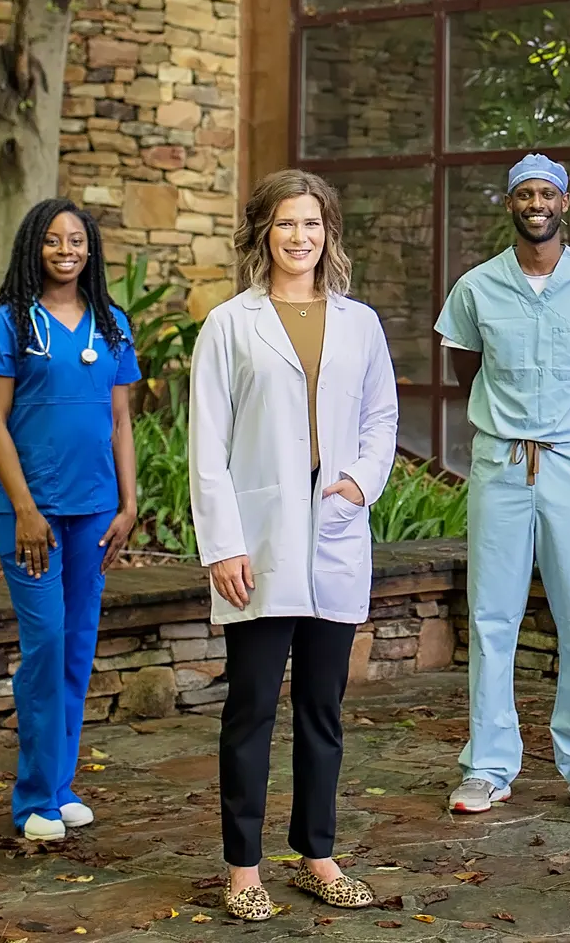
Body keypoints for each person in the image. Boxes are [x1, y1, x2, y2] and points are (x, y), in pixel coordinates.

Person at [189, 169, 399, 921]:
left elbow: (381, 418)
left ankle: (317, 854)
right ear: (263, 233)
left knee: (323, 708)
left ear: (328, 234)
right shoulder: (229, 325)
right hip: (260, 541)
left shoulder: (360, 323)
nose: (299, 237)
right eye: (285, 224)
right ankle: (243, 869)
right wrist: (222, 543)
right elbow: (206, 445)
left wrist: (357, 485)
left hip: (334, 529)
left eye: (311, 223)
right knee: (249, 708)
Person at [435, 154, 570, 817]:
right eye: (524, 193)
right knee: (492, 615)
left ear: (564, 203)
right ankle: (488, 765)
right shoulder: (475, 288)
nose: (536, 203)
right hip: (500, 464)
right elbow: (468, 365)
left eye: (546, 193)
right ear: (510, 205)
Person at [0, 199, 140, 842]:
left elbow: (122, 420)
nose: (65, 249)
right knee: (43, 647)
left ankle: (61, 784)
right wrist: (24, 510)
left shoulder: (111, 322)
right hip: (30, 515)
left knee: (76, 647)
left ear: (91, 250)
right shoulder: (11, 323)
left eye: (76, 240)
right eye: (52, 240)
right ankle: (32, 798)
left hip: (95, 510)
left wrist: (127, 505)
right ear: (33, 249)